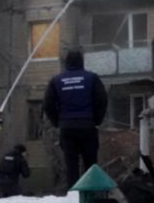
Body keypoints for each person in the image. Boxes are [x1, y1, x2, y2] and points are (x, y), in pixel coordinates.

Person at [44, 49, 108, 189]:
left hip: (67, 128)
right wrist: (97, 120)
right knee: (90, 163)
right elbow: (102, 100)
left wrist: (57, 122)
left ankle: (73, 195)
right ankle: (91, 194)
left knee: (71, 163)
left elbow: (48, 104)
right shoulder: (91, 78)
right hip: (87, 126)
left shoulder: (56, 80)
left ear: (66, 62)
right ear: (82, 61)